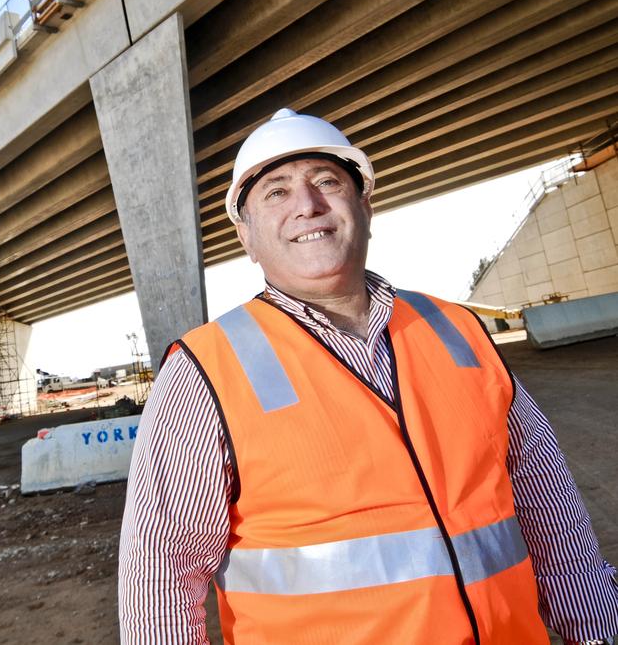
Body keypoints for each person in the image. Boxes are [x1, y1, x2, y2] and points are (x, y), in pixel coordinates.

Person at [119, 108, 617, 644]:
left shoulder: (459, 330)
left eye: (327, 182)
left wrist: (597, 630)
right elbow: (161, 573)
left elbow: (551, 510)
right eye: (276, 193)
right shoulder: (204, 371)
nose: (307, 206)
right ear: (246, 235)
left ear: (365, 204)